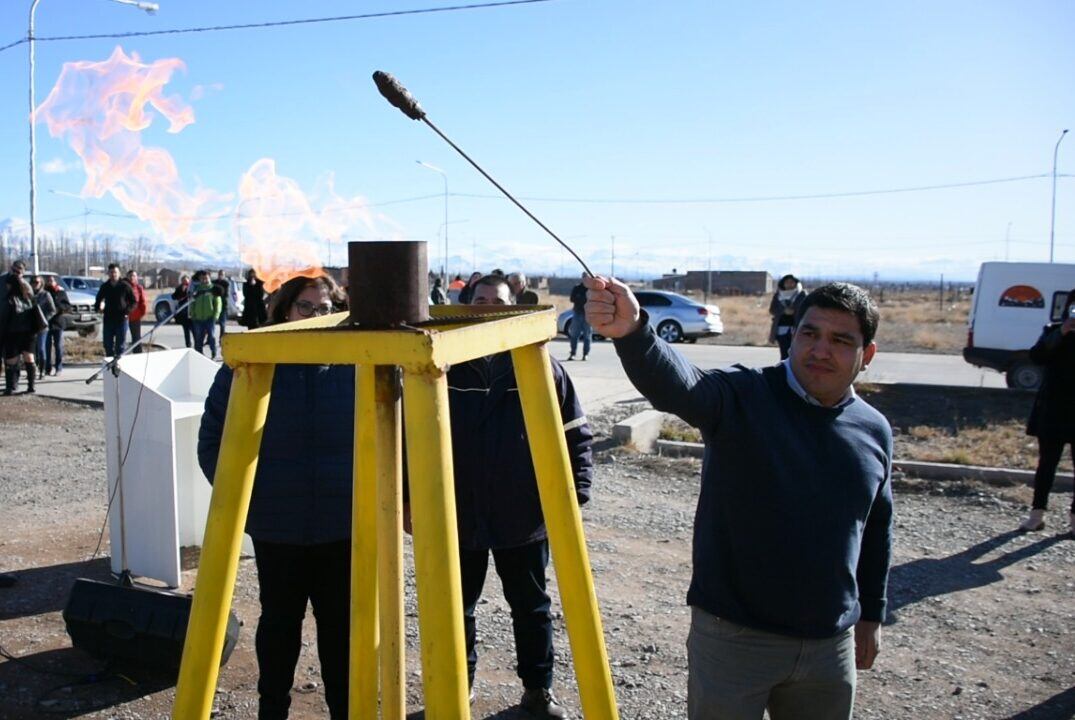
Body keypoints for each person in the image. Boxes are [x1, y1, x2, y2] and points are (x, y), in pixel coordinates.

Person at [585, 277, 893, 720]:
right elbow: (682, 385)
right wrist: (634, 333)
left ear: (867, 356)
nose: (820, 350)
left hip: (830, 645)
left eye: (840, 340)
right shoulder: (743, 395)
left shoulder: (874, 429)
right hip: (733, 638)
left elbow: (877, 526)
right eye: (809, 333)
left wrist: (872, 614)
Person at [404, 275, 592, 719]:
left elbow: (575, 436)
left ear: (512, 308)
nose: (488, 307)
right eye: (480, 300)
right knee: (455, 608)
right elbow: (409, 439)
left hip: (522, 514)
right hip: (457, 512)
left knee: (531, 607)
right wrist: (410, 499)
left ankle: (537, 691)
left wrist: (575, 493)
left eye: (498, 301)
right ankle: (457, 689)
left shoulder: (540, 366)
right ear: (464, 305)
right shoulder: (439, 366)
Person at [198, 274, 353, 720]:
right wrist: (249, 500)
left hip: (342, 527)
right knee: (280, 624)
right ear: (284, 310)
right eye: (306, 307)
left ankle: (346, 710)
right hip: (277, 526)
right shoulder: (250, 364)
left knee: (342, 631)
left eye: (326, 309)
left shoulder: (359, 365)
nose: (316, 317)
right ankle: (273, 710)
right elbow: (213, 441)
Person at [1019, 288, 1075, 538]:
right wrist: (1061, 334)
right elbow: (1037, 356)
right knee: (1046, 464)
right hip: (1054, 409)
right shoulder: (1054, 330)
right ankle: (1037, 514)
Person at [3, 273, 38, 395]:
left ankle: (11, 386)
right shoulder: (28, 297)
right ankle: (31, 386)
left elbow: (4, 318)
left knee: (11, 361)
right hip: (29, 334)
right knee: (29, 358)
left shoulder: (8, 300)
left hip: (12, 334)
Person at [94, 263, 136, 358]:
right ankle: (110, 365)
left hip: (121, 320)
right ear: (108, 273)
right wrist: (98, 308)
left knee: (120, 346)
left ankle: (119, 366)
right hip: (108, 319)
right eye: (111, 272)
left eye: (115, 272)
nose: (113, 274)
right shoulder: (105, 286)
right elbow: (98, 300)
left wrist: (127, 312)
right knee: (108, 345)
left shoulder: (125, 286)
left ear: (119, 273)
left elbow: (134, 302)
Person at [769, 274, 807, 360]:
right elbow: (772, 310)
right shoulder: (778, 295)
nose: (789, 284)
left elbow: (807, 310)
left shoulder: (802, 294)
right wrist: (783, 311)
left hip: (797, 327)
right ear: (783, 284)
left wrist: (795, 312)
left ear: (796, 283)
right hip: (781, 328)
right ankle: (784, 370)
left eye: (792, 282)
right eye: (787, 282)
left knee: (796, 352)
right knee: (784, 351)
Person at [189, 271, 222, 359]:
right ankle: (199, 354)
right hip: (198, 318)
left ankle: (213, 351)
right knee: (198, 337)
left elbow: (218, 304)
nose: (204, 280)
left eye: (206, 278)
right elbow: (192, 303)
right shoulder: (197, 289)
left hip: (210, 318)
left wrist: (216, 315)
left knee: (211, 336)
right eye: (202, 278)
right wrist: (192, 314)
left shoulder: (213, 289)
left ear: (209, 278)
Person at [43, 274, 70, 376]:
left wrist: (59, 308)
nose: (50, 282)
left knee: (58, 346)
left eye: (52, 280)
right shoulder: (45, 292)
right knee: (47, 346)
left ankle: (58, 367)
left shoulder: (61, 292)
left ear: (55, 282)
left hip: (58, 322)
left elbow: (67, 305)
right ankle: (47, 368)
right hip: (46, 322)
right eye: (48, 280)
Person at [31, 275, 56, 379]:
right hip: (31, 326)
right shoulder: (29, 294)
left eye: (37, 282)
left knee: (41, 348)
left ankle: (42, 370)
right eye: (33, 282)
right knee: (32, 350)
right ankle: (33, 369)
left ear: (41, 283)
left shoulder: (46, 295)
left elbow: (52, 310)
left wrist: (44, 319)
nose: (35, 284)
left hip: (42, 326)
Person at [567, 275, 591, 361]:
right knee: (574, 335)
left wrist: (581, 299)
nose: (586, 279)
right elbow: (572, 298)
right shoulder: (577, 288)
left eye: (587, 278)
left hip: (587, 315)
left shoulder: (590, 289)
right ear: (582, 278)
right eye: (585, 278)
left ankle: (585, 354)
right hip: (577, 313)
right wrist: (581, 299)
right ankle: (573, 353)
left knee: (587, 336)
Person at [125, 270, 148, 354]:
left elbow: (143, 302)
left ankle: (137, 354)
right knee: (121, 338)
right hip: (124, 317)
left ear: (137, 277)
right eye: (130, 276)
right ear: (127, 277)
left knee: (136, 337)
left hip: (135, 316)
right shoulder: (123, 287)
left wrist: (141, 313)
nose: (132, 277)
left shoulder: (138, 288)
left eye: (134, 276)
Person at [173, 274, 194, 348]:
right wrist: (181, 291)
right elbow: (174, 296)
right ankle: (188, 345)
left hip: (191, 312)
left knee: (194, 330)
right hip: (183, 313)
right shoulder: (179, 288)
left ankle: (197, 345)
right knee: (186, 330)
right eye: (183, 280)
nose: (185, 282)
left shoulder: (192, 287)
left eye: (186, 280)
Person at [213, 270, 230, 338]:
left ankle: (221, 338)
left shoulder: (226, 283)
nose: (220, 276)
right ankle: (209, 338)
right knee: (211, 323)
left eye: (222, 274)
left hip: (223, 306)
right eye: (220, 274)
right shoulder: (214, 282)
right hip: (214, 305)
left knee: (222, 324)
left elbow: (225, 294)